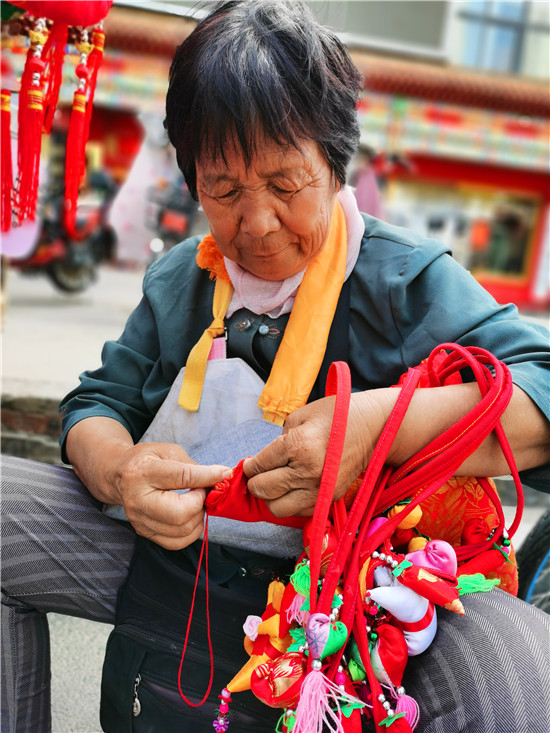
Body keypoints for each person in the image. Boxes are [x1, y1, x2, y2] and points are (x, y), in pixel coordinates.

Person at [2, 2, 550, 732]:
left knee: (518, 665)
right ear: (191, 180)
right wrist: (122, 472)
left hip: (359, 591)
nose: (256, 224)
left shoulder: (403, 280)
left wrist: (373, 428)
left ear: (335, 163)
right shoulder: (182, 279)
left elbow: (542, 387)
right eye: (224, 189)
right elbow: (98, 403)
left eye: (286, 184)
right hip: (177, 558)